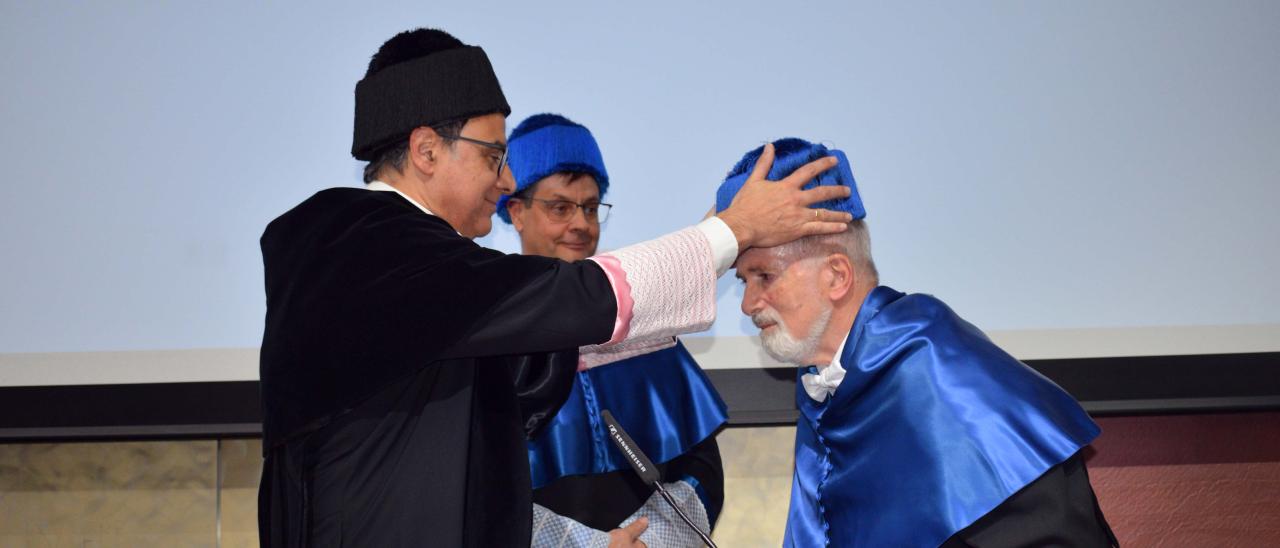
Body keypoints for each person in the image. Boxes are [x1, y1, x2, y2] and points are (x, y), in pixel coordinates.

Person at [257, 28, 852, 547]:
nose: (507, 179)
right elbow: (579, 299)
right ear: (427, 149)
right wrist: (733, 231)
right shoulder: (367, 246)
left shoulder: (400, 266)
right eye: (494, 155)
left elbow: (530, 376)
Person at [718, 138, 1118, 547]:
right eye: (743, 281)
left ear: (837, 276)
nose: (749, 304)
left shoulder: (940, 375)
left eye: (764, 276)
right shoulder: (830, 387)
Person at [499, 114, 728, 541]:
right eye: (560, 207)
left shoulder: (644, 331)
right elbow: (479, 495)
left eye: (590, 207)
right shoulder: (493, 338)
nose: (582, 225)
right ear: (516, 211)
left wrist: (652, 541)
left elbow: (700, 471)